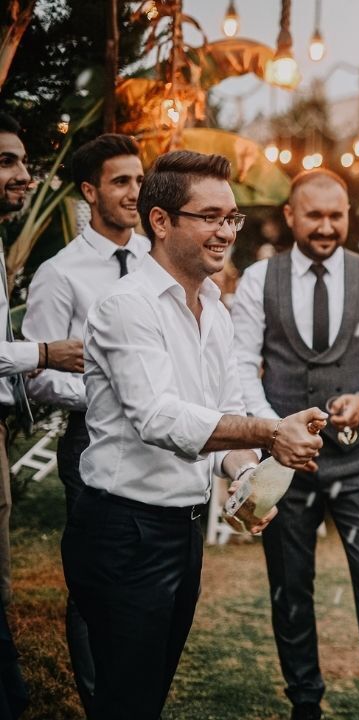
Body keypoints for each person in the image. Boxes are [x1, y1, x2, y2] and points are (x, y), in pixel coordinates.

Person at [61, 150, 325, 720]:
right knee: (126, 703)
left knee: (149, 696)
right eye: (210, 217)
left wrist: (248, 476)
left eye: (231, 218)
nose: (226, 232)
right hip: (122, 531)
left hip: (183, 532)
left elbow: (224, 410)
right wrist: (271, 432)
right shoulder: (126, 306)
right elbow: (158, 418)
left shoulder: (216, 310)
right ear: (161, 221)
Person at [232, 168, 359, 720]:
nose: (327, 227)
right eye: (314, 215)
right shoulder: (258, 280)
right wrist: (275, 430)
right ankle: (305, 702)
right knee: (290, 586)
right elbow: (241, 365)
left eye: (337, 215)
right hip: (285, 465)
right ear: (290, 216)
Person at [22, 132, 149, 712]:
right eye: (121, 181)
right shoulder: (60, 273)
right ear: (89, 192)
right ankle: (101, 703)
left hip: (160, 443)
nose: (135, 191)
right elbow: (39, 375)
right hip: (91, 439)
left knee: (150, 577)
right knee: (96, 578)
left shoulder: (155, 260)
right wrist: (111, 396)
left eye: (140, 180)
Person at [0, 111, 85, 720]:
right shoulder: (62, 273)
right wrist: (45, 354)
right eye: (6, 162)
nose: (24, 175)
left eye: (24, 162)